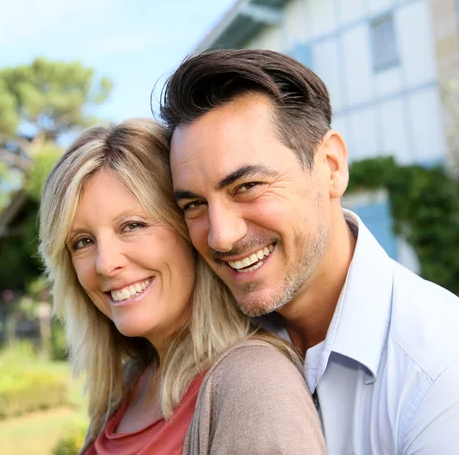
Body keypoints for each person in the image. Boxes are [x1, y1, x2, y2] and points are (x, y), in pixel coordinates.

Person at [160, 48, 459, 454]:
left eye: (247, 187)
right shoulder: (212, 339)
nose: (221, 237)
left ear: (331, 166)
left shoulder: (440, 371)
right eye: (194, 204)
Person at [38, 118, 326, 454]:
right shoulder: (131, 385)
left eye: (132, 225)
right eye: (83, 241)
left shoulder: (254, 385)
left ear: (190, 231)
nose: (105, 263)